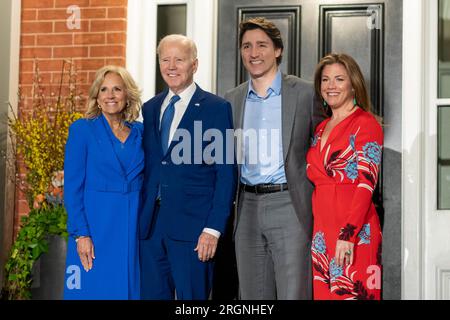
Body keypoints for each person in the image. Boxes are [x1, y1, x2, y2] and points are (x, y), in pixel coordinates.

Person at [224, 17, 324, 300]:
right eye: (246, 46)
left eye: (261, 45)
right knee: (252, 296)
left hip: (290, 203)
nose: (253, 53)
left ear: (277, 50)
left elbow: (327, 147)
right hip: (246, 207)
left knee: (295, 292)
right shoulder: (232, 99)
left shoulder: (305, 93)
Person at [139, 34, 237, 300]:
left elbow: (226, 174)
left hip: (194, 230)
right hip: (151, 229)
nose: (171, 66)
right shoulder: (149, 108)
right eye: (165, 59)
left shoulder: (216, 108)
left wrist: (213, 229)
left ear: (194, 64)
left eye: (179, 60)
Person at [307, 53, 383, 300]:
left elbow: (366, 184)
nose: (331, 86)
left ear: (353, 84)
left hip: (354, 233)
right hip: (322, 234)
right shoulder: (320, 128)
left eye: (339, 79)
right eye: (325, 80)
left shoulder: (366, 123)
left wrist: (347, 235)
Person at [63, 65, 144, 299]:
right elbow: (72, 188)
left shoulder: (142, 132)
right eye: (104, 89)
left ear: (127, 95)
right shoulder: (82, 130)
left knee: (130, 290)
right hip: (95, 227)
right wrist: (81, 234)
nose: (110, 95)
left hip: (132, 228)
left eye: (117, 89)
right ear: (96, 97)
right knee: (92, 290)